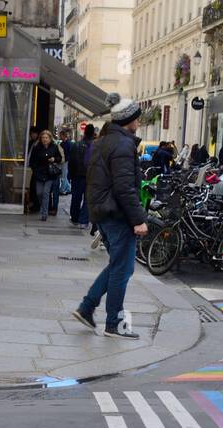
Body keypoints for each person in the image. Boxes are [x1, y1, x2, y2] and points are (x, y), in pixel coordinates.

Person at [72, 98, 147, 339]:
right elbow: (125, 188)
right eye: (136, 117)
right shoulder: (123, 146)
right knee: (122, 270)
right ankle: (113, 323)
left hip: (103, 212)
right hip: (116, 213)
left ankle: (87, 307)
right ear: (128, 120)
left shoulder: (104, 142)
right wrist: (138, 220)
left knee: (118, 265)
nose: (139, 121)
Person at [28, 129, 64, 222]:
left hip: (50, 174)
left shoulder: (54, 147)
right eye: (43, 137)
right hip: (39, 174)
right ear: (40, 138)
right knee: (39, 193)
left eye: (46, 137)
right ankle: (43, 207)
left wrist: (54, 159)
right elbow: (32, 161)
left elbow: (60, 158)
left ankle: (44, 213)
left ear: (50, 138)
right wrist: (35, 170)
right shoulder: (36, 148)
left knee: (46, 193)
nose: (45, 139)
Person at [68, 123, 95, 228]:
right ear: (93, 133)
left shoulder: (76, 145)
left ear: (84, 132)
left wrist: (70, 175)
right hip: (91, 177)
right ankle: (83, 221)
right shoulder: (95, 146)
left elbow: (71, 161)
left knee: (76, 197)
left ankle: (74, 218)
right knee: (88, 200)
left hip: (77, 176)